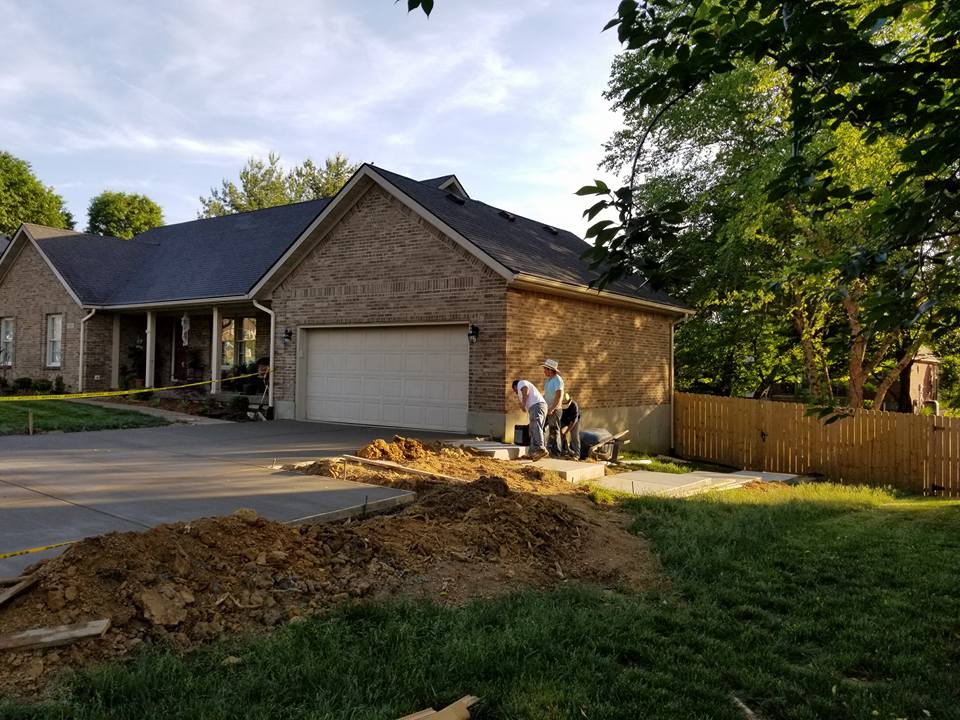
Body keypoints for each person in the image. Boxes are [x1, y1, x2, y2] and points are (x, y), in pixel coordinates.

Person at [511, 379, 548, 460]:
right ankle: (532, 453)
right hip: (537, 407)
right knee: (532, 429)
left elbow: (525, 390)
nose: (516, 392)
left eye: (515, 390)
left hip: (537, 406)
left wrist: (523, 404)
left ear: (515, 386)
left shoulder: (521, 383)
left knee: (536, 427)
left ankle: (541, 448)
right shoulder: (522, 388)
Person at [541, 359, 565, 456]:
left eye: (545, 369)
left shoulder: (558, 380)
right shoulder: (548, 380)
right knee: (541, 428)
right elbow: (547, 394)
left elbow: (559, 396)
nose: (544, 371)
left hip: (555, 410)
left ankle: (556, 453)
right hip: (547, 408)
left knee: (554, 430)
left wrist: (552, 408)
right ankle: (543, 449)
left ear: (550, 370)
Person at [559, 392, 581, 459]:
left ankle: (576, 454)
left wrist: (566, 432)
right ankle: (563, 451)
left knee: (574, 436)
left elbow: (573, 422)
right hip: (563, 420)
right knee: (559, 435)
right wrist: (561, 431)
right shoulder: (559, 404)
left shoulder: (574, 406)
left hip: (574, 422)